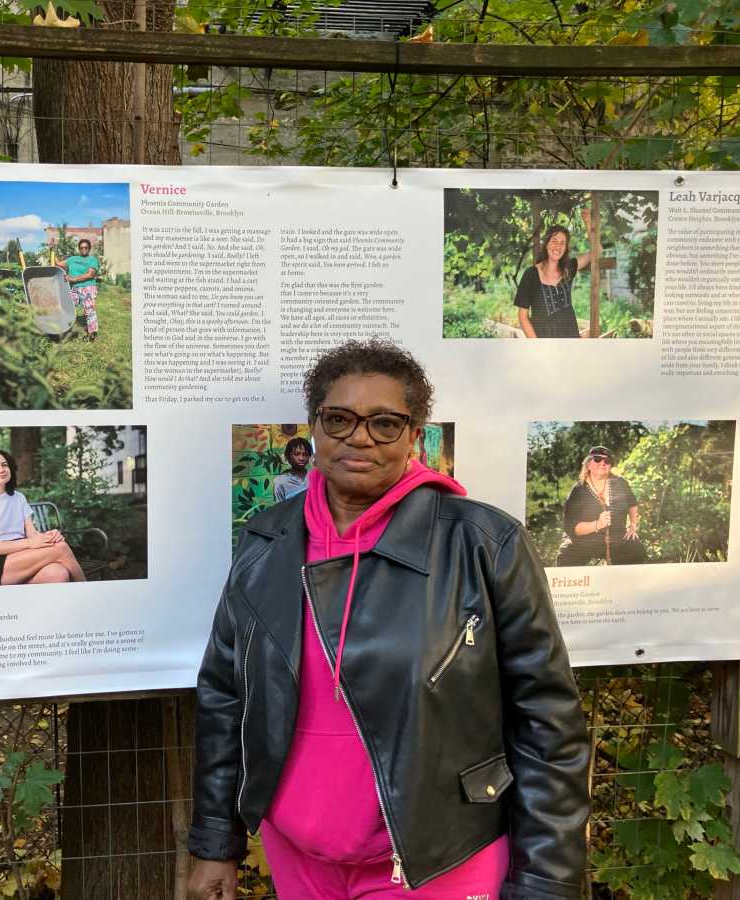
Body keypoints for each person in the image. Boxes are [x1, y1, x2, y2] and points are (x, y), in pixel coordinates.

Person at [188, 339, 589, 899]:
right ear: (315, 426)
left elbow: (547, 720)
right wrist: (215, 842)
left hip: (438, 861)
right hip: (299, 859)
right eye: (339, 419)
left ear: (414, 436)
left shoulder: (483, 545)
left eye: (384, 423)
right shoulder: (266, 541)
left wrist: (546, 879)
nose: (359, 437)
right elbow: (225, 698)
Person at [0, 449, 86, 587]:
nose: (1, 469)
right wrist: (29, 543)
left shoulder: (18, 497)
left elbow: (32, 533)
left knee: (58, 573)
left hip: (22, 556)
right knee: (61, 548)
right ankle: (86, 591)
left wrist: (49, 536)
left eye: (4, 465)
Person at [556, 446, 647, 567]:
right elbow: (572, 528)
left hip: (616, 538)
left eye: (607, 461)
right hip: (584, 542)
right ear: (588, 464)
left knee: (636, 551)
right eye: (597, 459)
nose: (603, 463)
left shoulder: (620, 483)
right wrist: (598, 524)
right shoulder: (578, 491)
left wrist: (633, 525)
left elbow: (632, 504)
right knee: (566, 557)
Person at [515, 211, 592, 339]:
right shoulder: (530, 275)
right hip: (545, 344)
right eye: (554, 241)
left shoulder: (568, 268)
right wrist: (537, 344)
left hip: (571, 340)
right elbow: (522, 316)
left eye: (563, 243)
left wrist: (588, 223)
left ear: (566, 248)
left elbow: (597, 251)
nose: (558, 247)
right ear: (546, 244)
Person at [63, 238, 100, 341]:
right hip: (74, 288)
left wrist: (73, 278)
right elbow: (58, 264)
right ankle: (66, 330)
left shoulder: (92, 259)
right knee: (67, 306)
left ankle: (91, 335)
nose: (84, 249)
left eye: (86, 247)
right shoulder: (72, 259)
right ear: (79, 248)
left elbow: (90, 274)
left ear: (89, 248)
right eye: (81, 247)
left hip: (87, 287)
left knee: (89, 310)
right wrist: (52, 249)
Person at [272, 437, 311, 502]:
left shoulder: (314, 478)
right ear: (288, 456)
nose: (301, 458)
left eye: (305, 454)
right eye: (296, 454)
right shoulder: (280, 482)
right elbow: (279, 506)